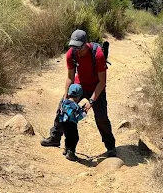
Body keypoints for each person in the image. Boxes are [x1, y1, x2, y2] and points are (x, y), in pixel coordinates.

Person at [40, 29, 117, 159]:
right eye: (74, 47)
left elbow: (102, 81)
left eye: (79, 47)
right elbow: (70, 77)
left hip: (96, 86)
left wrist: (92, 101)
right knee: (63, 109)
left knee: (101, 117)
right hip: (79, 86)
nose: (77, 50)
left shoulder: (97, 54)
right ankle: (55, 137)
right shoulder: (71, 53)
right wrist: (66, 98)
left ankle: (110, 147)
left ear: (85, 43)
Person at [59, 83, 87, 161]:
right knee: (75, 138)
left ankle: (66, 149)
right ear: (79, 96)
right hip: (71, 124)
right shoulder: (75, 106)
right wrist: (84, 111)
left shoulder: (64, 102)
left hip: (63, 123)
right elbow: (79, 116)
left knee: (68, 136)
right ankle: (71, 153)